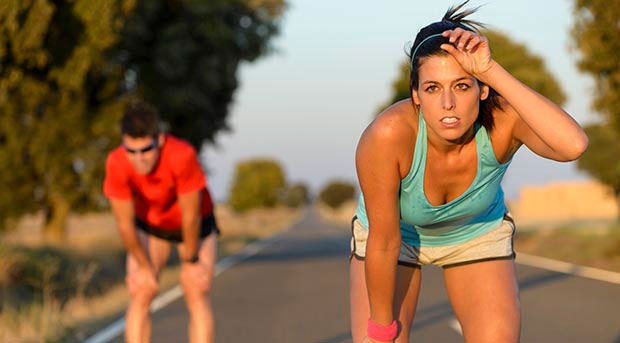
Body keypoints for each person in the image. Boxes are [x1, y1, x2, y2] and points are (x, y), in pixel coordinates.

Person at [349, 2, 588, 343]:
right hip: (396, 240)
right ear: (416, 95)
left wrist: (491, 69)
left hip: (474, 236)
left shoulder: (504, 120)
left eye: (462, 86)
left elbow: (573, 145)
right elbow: (385, 243)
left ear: (483, 89)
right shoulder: (387, 136)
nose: (448, 103)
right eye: (432, 88)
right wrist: (382, 329)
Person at [103, 101, 219, 343]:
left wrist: (191, 260)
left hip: (195, 225)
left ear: (160, 140)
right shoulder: (116, 163)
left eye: (146, 150)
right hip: (152, 225)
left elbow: (191, 216)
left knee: (195, 287)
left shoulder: (181, 155)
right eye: (131, 151)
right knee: (142, 290)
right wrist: (144, 268)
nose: (139, 159)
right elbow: (124, 224)